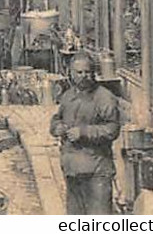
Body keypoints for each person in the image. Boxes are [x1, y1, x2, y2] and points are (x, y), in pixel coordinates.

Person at [50, 52, 120, 215]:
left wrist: (83, 132)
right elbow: (56, 119)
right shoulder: (68, 96)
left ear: (93, 72)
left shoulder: (104, 97)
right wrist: (56, 127)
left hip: (96, 171)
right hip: (72, 170)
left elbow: (112, 129)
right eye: (79, 72)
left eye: (87, 72)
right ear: (71, 74)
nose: (84, 76)